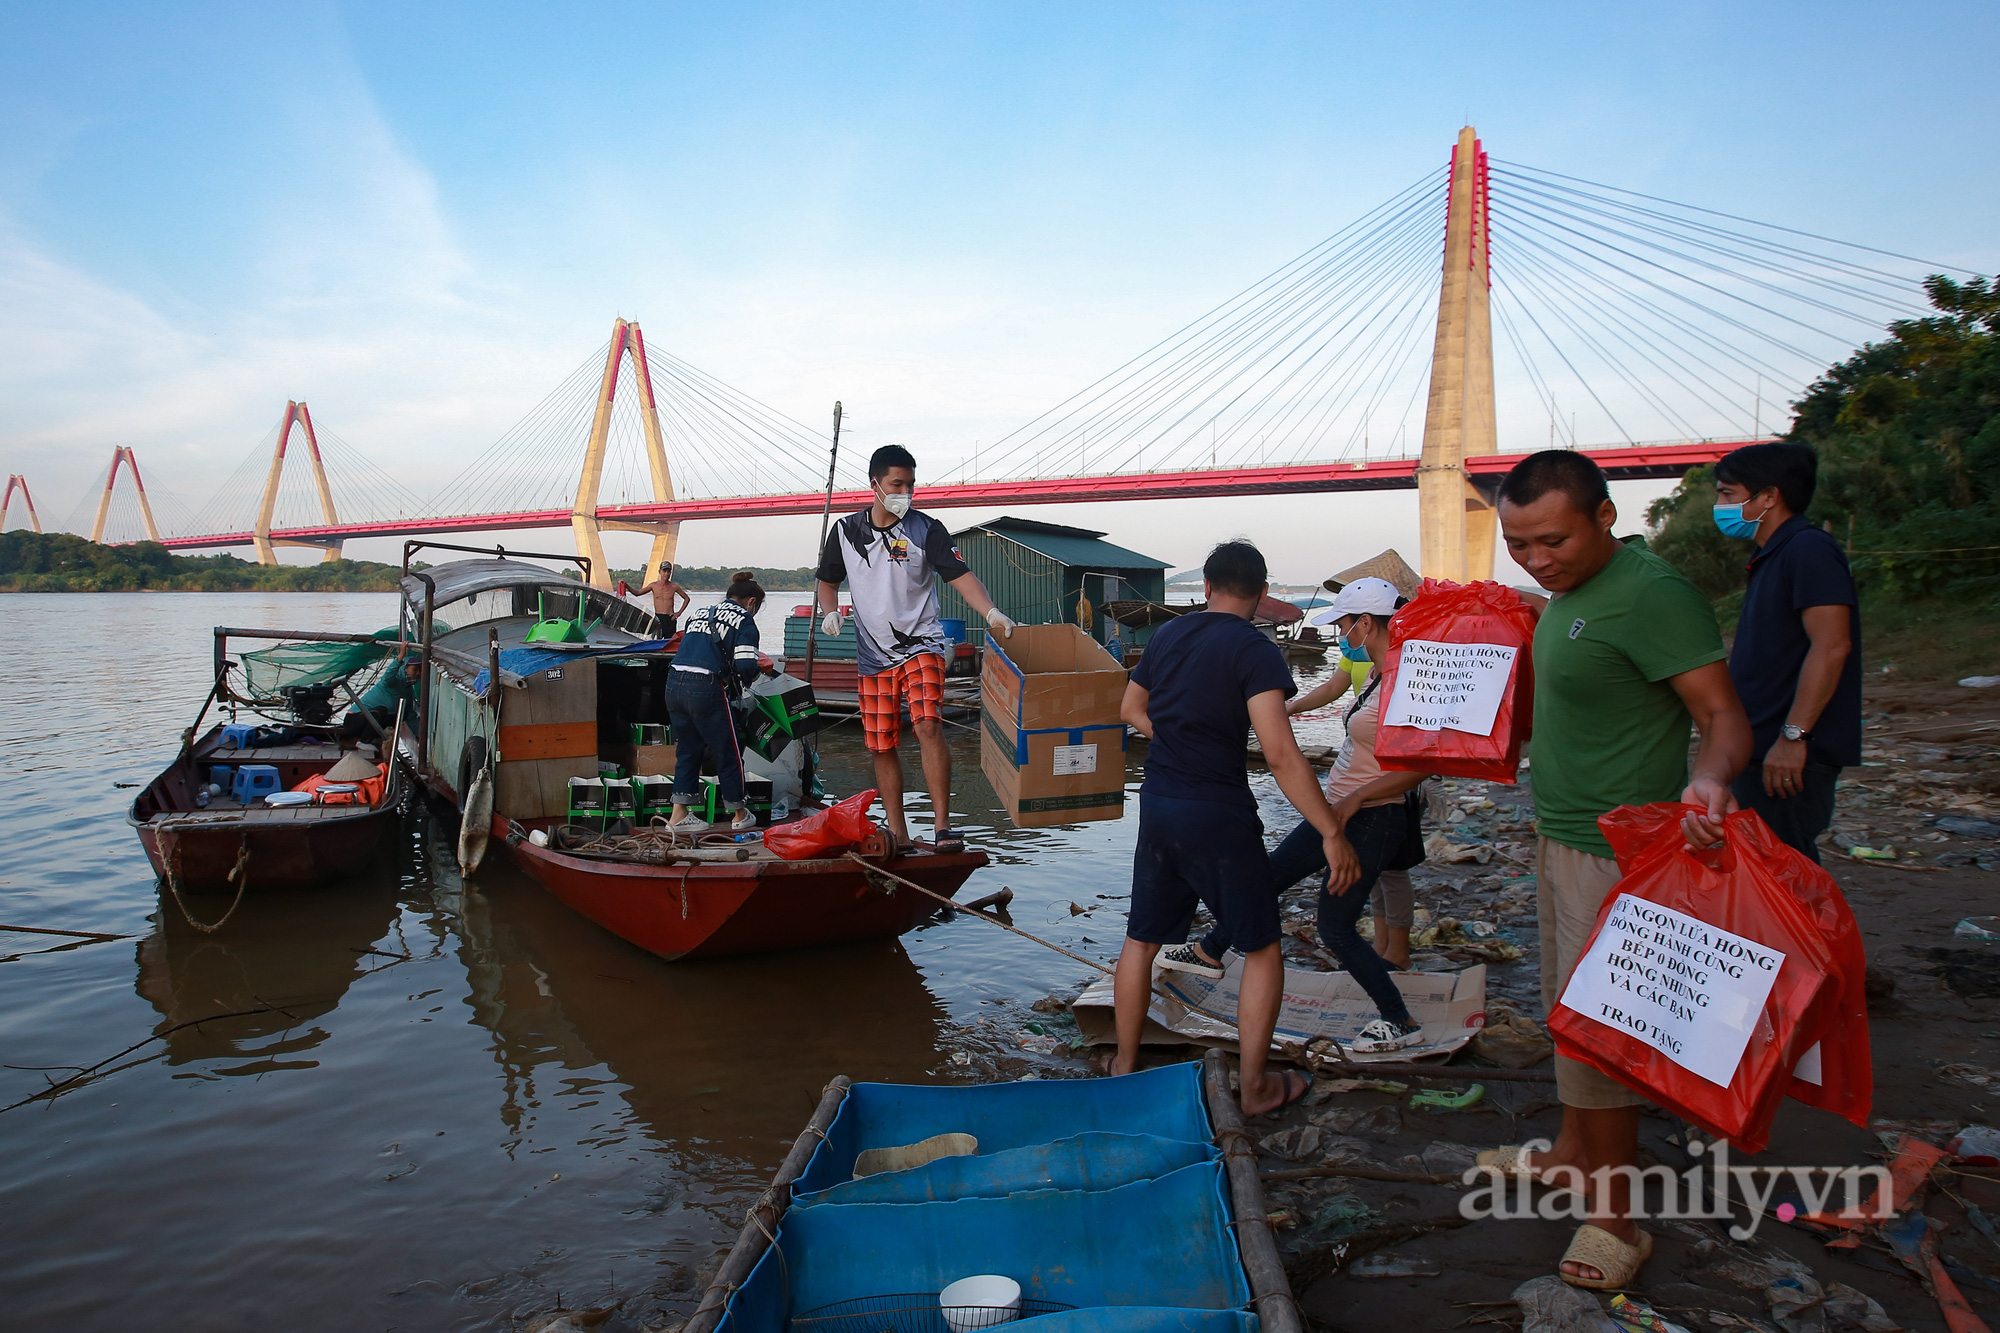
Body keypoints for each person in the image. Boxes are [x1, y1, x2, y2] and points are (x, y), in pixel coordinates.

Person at [1490, 450, 1751, 1291]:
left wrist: (1708, 782)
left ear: (1606, 515)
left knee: (1605, 1038)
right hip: (1561, 835)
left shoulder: (1651, 594)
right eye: (1518, 543)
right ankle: (1571, 1152)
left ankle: (1616, 1220)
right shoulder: (1576, 594)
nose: (1536, 558)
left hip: (1620, 855)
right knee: (1569, 1016)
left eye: (1552, 540)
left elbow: (1720, 715)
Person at [1112, 541, 1352, 1116]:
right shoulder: (1255, 647)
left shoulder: (1169, 635)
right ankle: (1257, 1087)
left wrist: (1171, 739)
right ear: (1263, 594)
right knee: (1261, 947)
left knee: (1141, 939)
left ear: (1207, 588)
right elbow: (1280, 753)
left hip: (1160, 802)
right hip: (1217, 810)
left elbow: (1129, 708)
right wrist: (1330, 831)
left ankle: (1123, 1065)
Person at [1161, 577, 1431, 1052]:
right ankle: (1208, 951)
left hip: (1373, 817)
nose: (1342, 633)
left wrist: (1350, 802)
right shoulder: (1378, 673)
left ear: (1366, 624)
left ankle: (1399, 1019)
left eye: (1345, 624)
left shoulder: (1408, 679)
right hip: (1339, 811)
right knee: (1265, 877)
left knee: (1336, 926)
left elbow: (1419, 767)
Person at [813, 445, 1017, 848]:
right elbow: (827, 580)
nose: (905, 493)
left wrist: (992, 612)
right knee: (880, 742)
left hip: (921, 643)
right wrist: (830, 611)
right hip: (873, 655)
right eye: (897, 485)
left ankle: (942, 826)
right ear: (875, 485)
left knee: (926, 724)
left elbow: (960, 575)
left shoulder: (927, 529)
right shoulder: (846, 531)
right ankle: (898, 832)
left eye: (910, 485)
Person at [1712, 442, 1861, 863]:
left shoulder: (1808, 549)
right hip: (1762, 747)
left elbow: (1832, 646)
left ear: (1769, 496)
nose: (1719, 505)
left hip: (1787, 753)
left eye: (1727, 494)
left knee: (1785, 877)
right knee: (1762, 874)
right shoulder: (1773, 554)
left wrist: (1794, 738)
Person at [663, 572, 765, 832]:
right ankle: (740, 815)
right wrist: (752, 676)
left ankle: (678, 816)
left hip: (673, 683)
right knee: (728, 751)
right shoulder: (744, 620)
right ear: (750, 602)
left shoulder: (700, 611)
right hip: (705, 688)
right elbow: (744, 664)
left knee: (688, 749)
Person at [634, 563, 691, 638]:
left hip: (670, 618)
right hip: (658, 617)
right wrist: (626, 586)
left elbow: (687, 598)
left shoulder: (674, 586)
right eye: (664, 571)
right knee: (657, 640)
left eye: (668, 572)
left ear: (670, 573)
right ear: (660, 572)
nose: (666, 574)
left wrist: (678, 613)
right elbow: (637, 593)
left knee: (669, 642)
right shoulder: (653, 585)